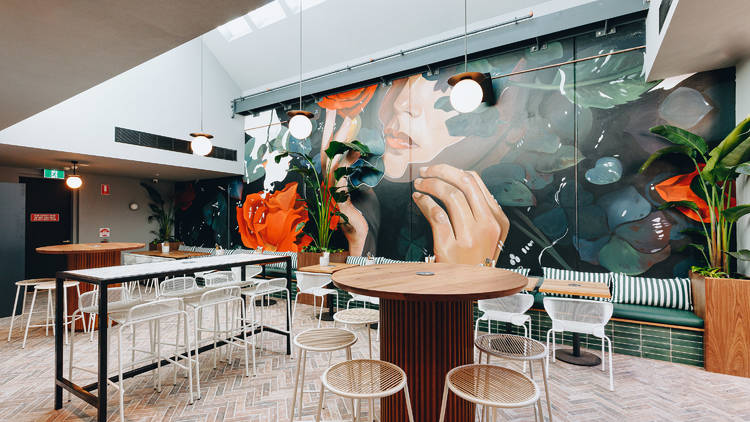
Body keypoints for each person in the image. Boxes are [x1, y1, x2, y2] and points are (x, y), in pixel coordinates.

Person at [318, 60, 533, 265]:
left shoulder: (526, 227)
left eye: (450, 82)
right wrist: (358, 236)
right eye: (401, 81)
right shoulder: (371, 201)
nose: (401, 103)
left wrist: (470, 279)